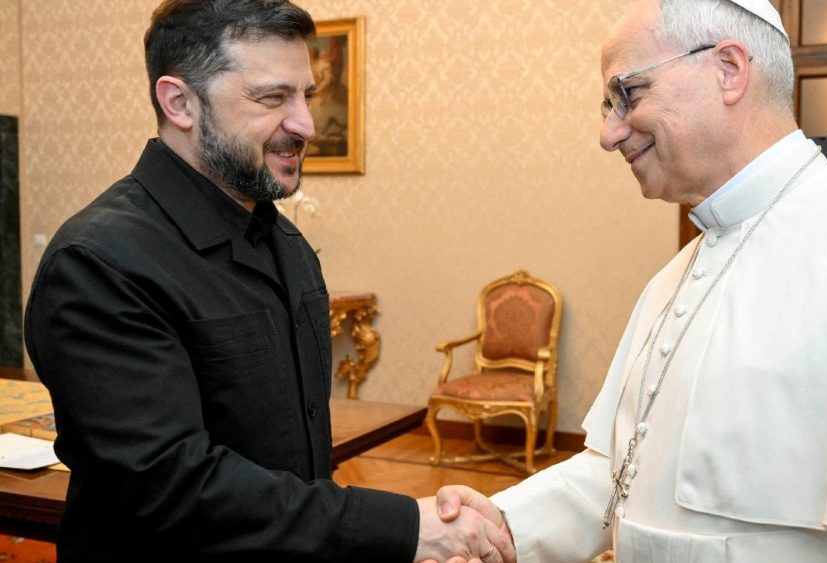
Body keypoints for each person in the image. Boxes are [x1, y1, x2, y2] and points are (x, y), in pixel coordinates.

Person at [436, 0, 827, 561]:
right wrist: (505, 525)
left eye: (627, 95)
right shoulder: (673, 277)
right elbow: (620, 472)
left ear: (728, 70)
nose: (608, 134)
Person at [23, 1, 512, 562]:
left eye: (307, 94)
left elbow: (292, 462)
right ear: (179, 102)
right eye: (273, 98)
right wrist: (402, 527)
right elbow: (171, 488)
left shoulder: (286, 243)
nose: (305, 122)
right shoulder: (99, 263)